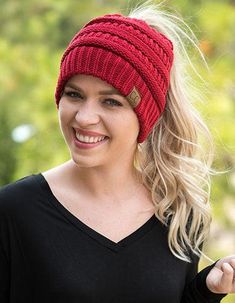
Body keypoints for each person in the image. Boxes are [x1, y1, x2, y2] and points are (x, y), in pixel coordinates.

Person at [0, 2, 234, 303]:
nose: (84, 117)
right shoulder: (13, 212)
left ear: (145, 116)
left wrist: (205, 291)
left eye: (111, 102)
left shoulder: (178, 216)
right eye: (74, 94)